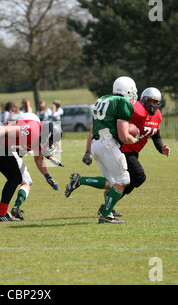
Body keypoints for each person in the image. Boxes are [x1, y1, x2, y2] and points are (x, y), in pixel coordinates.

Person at [86, 87, 171, 217]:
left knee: (130, 181)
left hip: (134, 151)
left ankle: (108, 205)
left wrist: (161, 149)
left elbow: (156, 136)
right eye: (150, 101)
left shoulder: (157, 115)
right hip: (124, 148)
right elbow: (119, 119)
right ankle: (107, 205)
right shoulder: (136, 108)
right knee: (138, 177)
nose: (153, 104)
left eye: (155, 102)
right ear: (143, 100)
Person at [65, 76, 139, 224]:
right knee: (124, 180)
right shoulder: (123, 102)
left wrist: (88, 151)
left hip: (96, 144)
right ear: (129, 91)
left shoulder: (102, 100)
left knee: (112, 182)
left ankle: (80, 181)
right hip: (107, 144)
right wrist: (136, 139)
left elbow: (92, 130)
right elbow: (124, 136)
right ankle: (105, 215)